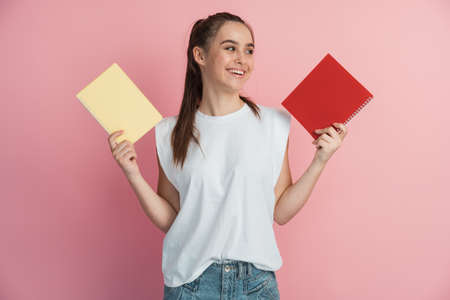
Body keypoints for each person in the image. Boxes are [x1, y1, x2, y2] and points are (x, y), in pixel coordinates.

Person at [107, 11, 347, 300]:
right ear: (200, 55)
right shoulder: (169, 132)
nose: (242, 60)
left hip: (256, 285)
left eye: (249, 50)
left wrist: (320, 160)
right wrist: (132, 174)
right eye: (230, 48)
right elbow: (171, 218)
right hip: (190, 285)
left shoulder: (274, 124)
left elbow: (280, 212)